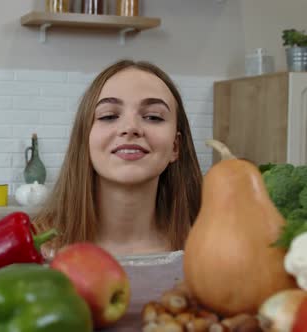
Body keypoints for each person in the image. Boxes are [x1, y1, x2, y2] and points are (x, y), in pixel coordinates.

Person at [34, 59, 202, 257]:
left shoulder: (206, 247)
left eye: (153, 117)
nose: (130, 128)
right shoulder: (36, 247)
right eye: (108, 116)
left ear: (175, 146)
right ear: (84, 140)